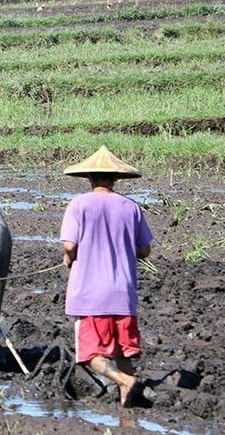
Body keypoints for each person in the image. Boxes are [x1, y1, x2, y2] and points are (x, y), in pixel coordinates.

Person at [59, 146, 153, 407]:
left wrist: (69, 259)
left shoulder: (79, 204)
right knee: (124, 351)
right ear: (115, 179)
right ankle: (129, 401)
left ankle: (123, 382)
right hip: (123, 293)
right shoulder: (131, 207)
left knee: (90, 354)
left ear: (89, 178)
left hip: (91, 294)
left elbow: (69, 246)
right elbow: (144, 249)